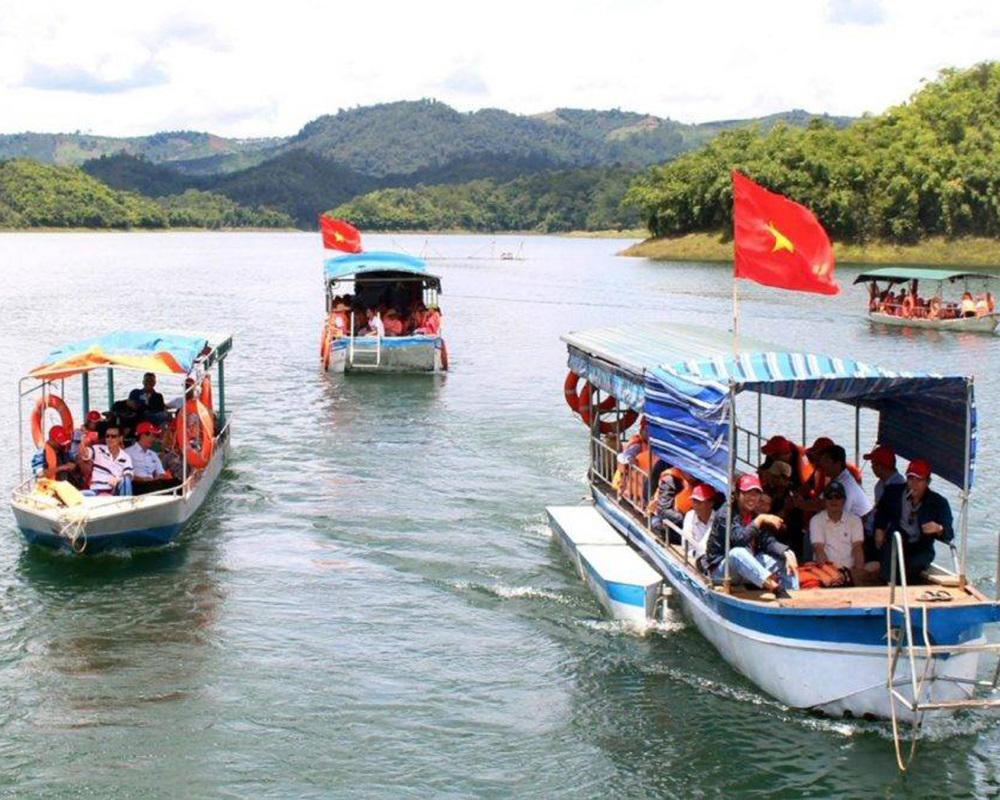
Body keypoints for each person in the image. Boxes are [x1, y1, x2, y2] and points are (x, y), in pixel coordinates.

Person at [703, 474, 799, 597]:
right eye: (747, 493)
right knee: (737, 553)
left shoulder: (753, 514)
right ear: (737, 495)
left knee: (784, 559)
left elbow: (767, 540)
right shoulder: (726, 513)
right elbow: (738, 539)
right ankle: (777, 590)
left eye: (756, 493)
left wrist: (786, 552)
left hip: (748, 569)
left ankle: (794, 597)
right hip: (723, 572)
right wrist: (759, 520)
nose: (752, 498)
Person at [874, 459, 953, 583]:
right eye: (911, 479)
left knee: (911, 566)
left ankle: (905, 591)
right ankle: (887, 587)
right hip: (897, 542)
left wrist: (938, 529)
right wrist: (879, 529)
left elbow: (949, 533)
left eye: (919, 480)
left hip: (921, 548)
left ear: (927, 482)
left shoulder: (938, 503)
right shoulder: (893, 492)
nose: (914, 484)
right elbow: (882, 512)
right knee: (887, 558)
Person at [809, 482, 864, 571]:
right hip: (826, 571)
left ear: (844, 500)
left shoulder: (855, 520)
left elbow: (857, 548)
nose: (834, 500)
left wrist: (858, 571)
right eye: (829, 497)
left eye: (838, 497)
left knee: (875, 566)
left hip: (851, 571)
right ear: (824, 500)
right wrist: (831, 574)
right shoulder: (816, 520)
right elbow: (819, 549)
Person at [817, 444, 872, 522]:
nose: (821, 465)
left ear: (838, 463)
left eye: (826, 461)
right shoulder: (835, 480)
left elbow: (839, 516)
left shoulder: (845, 484)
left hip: (861, 528)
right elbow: (819, 503)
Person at [78, 424, 133, 495]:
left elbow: (128, 474)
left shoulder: (126, 456)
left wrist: (118, 479)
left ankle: (126, 505)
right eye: (107, 436)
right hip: (96, 491)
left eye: (113, 436)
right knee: (77, 495)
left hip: (114, 490)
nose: (109, 439)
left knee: (126, 480)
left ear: (120, 438)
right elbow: (84, 454)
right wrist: (83, 441)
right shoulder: (97, 449)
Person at [125, 421, 170, 492]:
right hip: (137, 485)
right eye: (152, 436)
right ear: (143, 436)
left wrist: (158, 478)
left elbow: (161, 472)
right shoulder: (128, 453)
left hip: (153, 484)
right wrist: (142, 479)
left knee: (175, 482)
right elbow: (125, 474)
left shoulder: (153, 454)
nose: (154, 439)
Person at [681, 483, 717, 558]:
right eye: (694, 501)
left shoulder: (718, 519)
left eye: (699, 502)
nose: (695, 505)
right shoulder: (690, 516)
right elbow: (686, 546)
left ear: (711, 503)